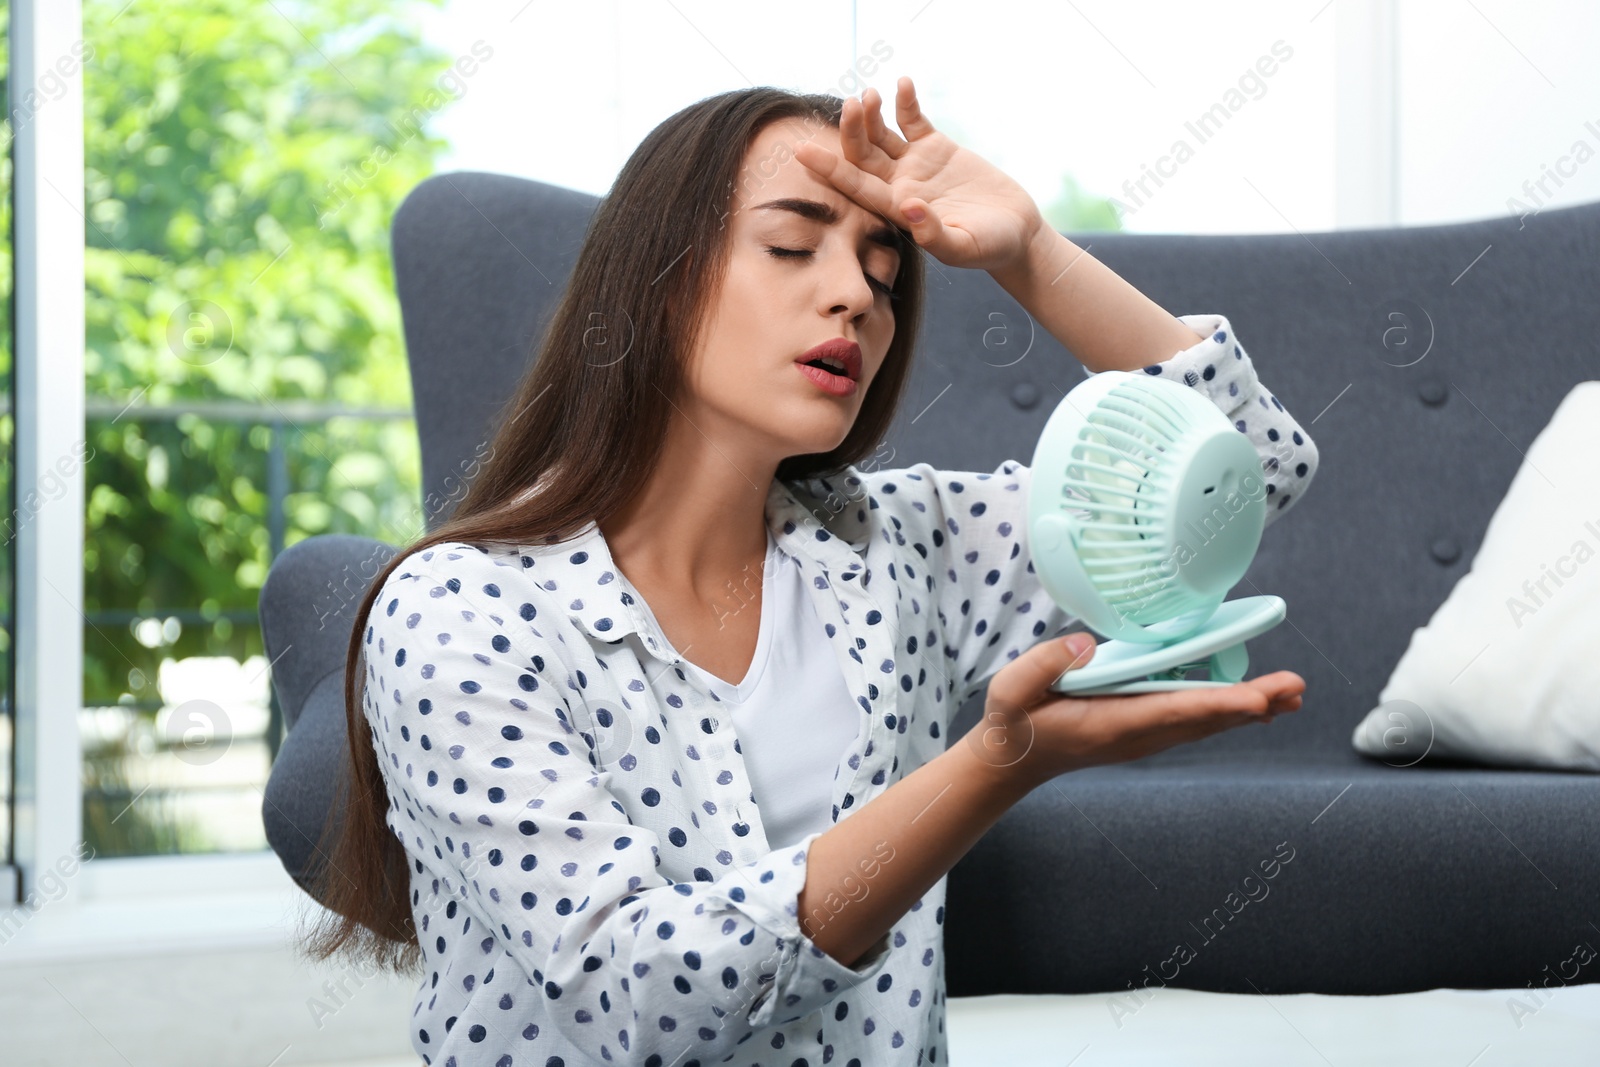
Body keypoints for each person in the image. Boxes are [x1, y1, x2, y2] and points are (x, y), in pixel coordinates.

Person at [303, 76, 1310, 1067]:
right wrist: (995, 765)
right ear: (653, 281)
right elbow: (637, 1002)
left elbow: (1241, 471)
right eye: (792, 245)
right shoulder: (462, 612)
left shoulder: (901, 549)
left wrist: (1031, 251)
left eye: (883, 273)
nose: (855, 297)